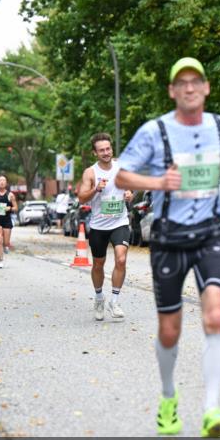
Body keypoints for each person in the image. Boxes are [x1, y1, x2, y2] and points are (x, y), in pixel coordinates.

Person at [116, 57, 220, 438]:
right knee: (170, 331)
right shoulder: (155, 132)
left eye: (196, 81)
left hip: (210, 234)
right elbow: (122, 174)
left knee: (215, 317)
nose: (189, 88)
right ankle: (168, 398)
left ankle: (211, 409)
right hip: (169, 238)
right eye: (181, 82)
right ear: (172, 91)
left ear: (206, 88)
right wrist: (159, 184)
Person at [77, 132, 135, 320]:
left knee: (121, 259)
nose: (106, 152)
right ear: (95, 153)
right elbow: (81, 197)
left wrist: (129, 194)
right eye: (101, 150)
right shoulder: (90, 172)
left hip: (120, 221)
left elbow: (130, 187)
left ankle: (115, 301)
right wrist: (96, 189)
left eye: (108, 148)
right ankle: (99, 297)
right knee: (98, 264)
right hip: (99, 225)